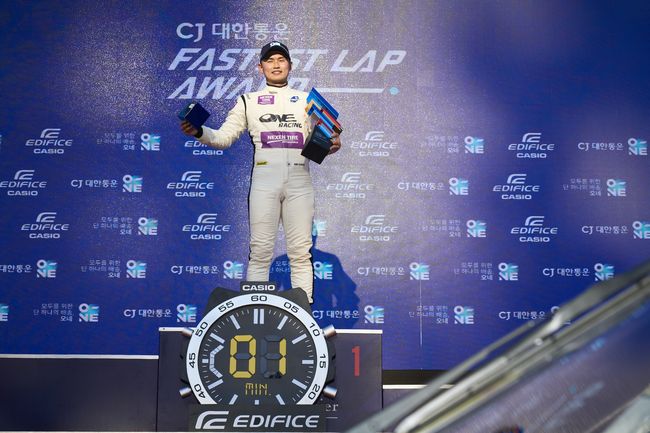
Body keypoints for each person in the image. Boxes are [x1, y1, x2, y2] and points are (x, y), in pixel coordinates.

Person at [180, 41, 341, 303]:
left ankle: (304, 314)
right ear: (260, 67)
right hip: (265, 182)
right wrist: (199, 131)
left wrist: (332, 144)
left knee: (301, 254)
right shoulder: (248, 101)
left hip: (299, 181)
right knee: (260, 253)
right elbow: (223, 138)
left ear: (290, 65)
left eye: (281, 59)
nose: (276, 65)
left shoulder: (307, 100)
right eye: (270, 60)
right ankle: (254, 314)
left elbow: (327, 140)